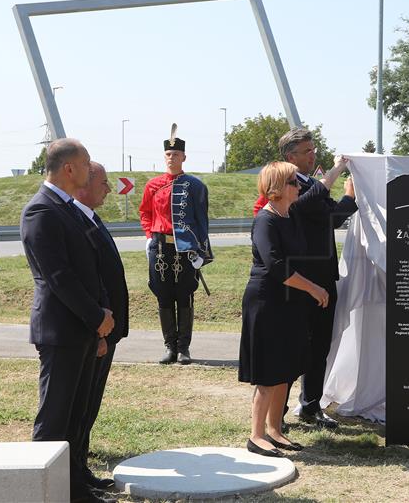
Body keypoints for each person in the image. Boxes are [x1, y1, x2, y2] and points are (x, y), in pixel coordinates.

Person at [20, 138, 116, 503]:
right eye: (86, 161)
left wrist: (102, 316)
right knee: (55, 417)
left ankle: (74, 486)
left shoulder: (68, 209)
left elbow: (91, 268)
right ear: (69, 168)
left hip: (83, 327)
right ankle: (41, 490)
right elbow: (58, 277)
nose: (91, 168)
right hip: (62, 330)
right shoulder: (41, 211)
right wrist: (96, 317)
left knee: (75, 417)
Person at [239, 158, 349, 457]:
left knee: (286, 369)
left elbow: (319, 200)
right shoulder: (266, 219)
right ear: (277, 187)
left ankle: (275, 430)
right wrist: (313, 288)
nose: (299, 185)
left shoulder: (290, 214)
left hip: (289, 301)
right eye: (293, 182)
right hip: (267, 300)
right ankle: (257, 434)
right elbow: (276, 265)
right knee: (269, 371)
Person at [279, 128, 357, 429]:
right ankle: (278, 412)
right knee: (294, 346)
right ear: (291, 157)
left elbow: (330, 217)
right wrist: (337, 170)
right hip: (299, 281)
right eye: (308, 151)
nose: (314, 155)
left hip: (323, 276)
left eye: (314, 149)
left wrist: (350, 198)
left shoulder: (312, 183)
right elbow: (308, 203)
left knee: (319, 345)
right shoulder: (284, 184)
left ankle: (311, 405)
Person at [73, 162, 129, 493]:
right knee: (79, 407)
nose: (109, 188)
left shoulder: (90, 216)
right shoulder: (75, 219)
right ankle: (76, 473)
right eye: (104, 183)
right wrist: (98, 329)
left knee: (90, 404)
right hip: (95, 329)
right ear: (84, 184)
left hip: (106, 328)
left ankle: (81, 468)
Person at [139, 124, 213, 365]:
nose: (172, 158)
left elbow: (202, 220)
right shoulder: (152, 185)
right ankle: (169, 346)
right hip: (159, 246)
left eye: (176, 155)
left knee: (185, 295)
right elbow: (145, 213)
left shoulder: (195, 186)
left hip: (185, 247)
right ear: (164, 157)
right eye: (168, 155)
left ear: (184, 157)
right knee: (163, 295)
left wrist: (201, 249)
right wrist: (149, 235)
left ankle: (184, 348)